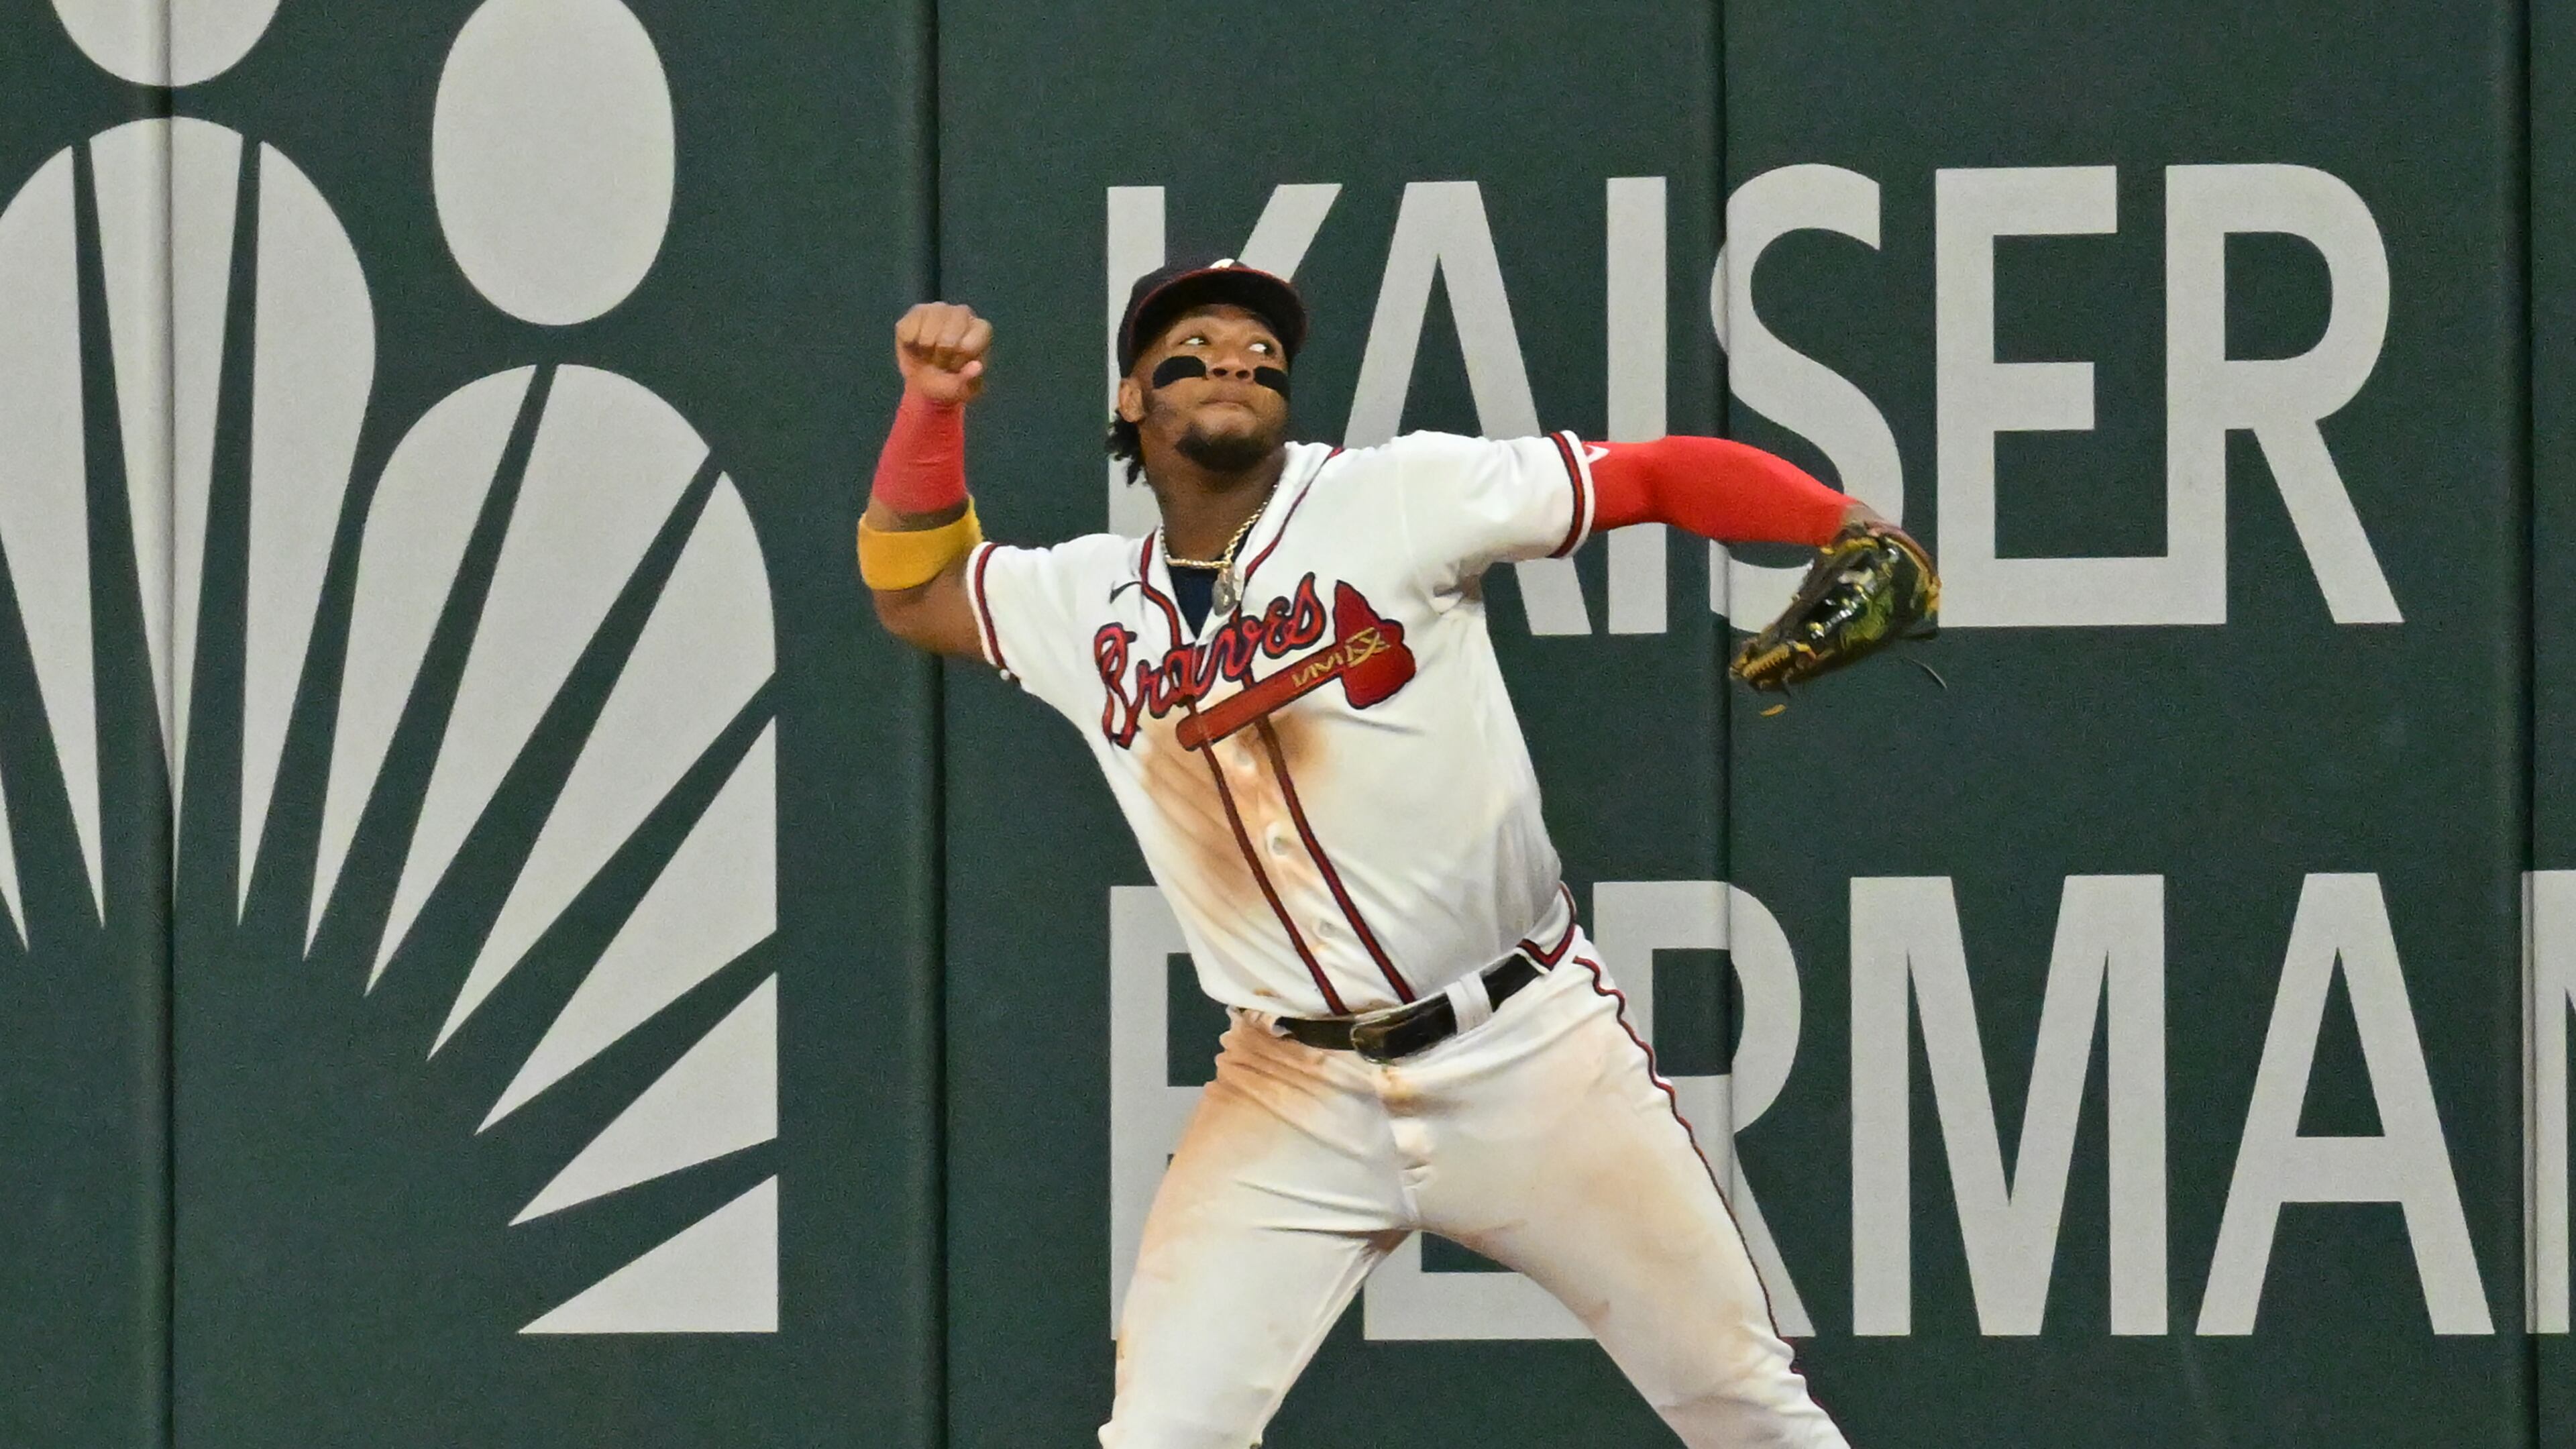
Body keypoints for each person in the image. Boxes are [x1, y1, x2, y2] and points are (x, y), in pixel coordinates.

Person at [861, 258, 1884, 1448]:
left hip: (1528, 1049)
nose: (1237, 357)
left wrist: (1840, 525)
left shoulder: (1397, 497)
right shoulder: (1087, 602)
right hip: (1292, 1088)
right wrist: (932, 406)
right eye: (1196, 344)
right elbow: (916, 588)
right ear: (1134, 399)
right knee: (1161, 1439)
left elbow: (1650, 475)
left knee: (1743, 1406)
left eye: (1262, 348)